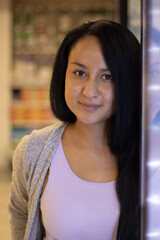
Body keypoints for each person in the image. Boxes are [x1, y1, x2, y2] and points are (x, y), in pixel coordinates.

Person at [9, 20, 141, 240]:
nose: (90, 91)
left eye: (107, 77)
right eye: (80, 73)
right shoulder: (33, 151)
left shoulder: (149, 156)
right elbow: (21, 213)